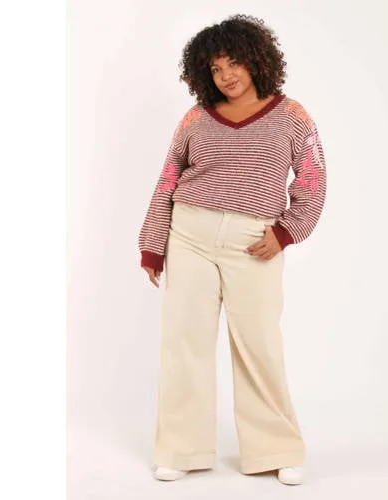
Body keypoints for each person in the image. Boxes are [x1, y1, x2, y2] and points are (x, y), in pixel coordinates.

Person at [138, 14, 327, 485]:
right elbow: (168, 178)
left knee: (259, 345)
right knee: (184, 344)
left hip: (254, 243)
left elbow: (312, 180)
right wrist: (153, 245)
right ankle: (180, 448)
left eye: (234, 62)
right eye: (216, 68)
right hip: (189, 235)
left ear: (257, 60)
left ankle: (277, 449)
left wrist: (285, 231)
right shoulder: (196, 118)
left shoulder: (292, 116)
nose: (226, 75)